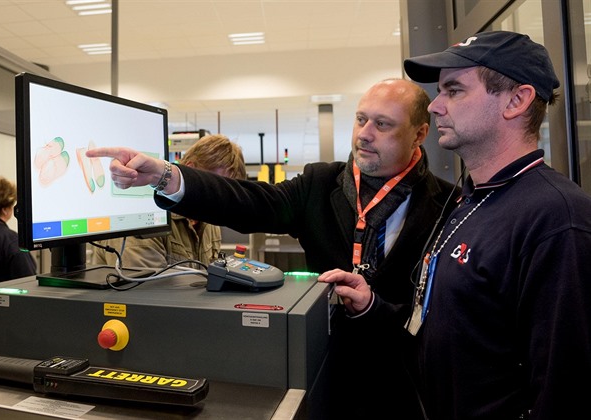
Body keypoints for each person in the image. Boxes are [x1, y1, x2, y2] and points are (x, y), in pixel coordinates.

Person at [88, 78, 460, 419]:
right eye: (361, 119)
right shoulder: (319, 184)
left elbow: (447, 316)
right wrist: (167, 176)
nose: (364, 134)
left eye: (382, 124)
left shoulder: (448, 206)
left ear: (419, 133)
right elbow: (250, 202)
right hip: (325, 374)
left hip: (404, 387)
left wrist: (374, 308)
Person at [319, 31, 591, 419]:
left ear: (516, 101)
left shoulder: (556, 219)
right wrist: (373, 307)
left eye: (454, 91)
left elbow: (565, 390)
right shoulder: (469, 201)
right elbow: (448, 330)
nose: (434, 106)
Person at [91, 134, 247, 269]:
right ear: (191, 170)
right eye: (215, 189)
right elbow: (146, 288)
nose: (220, 200)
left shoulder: (210, 218)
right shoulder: (145, 216)